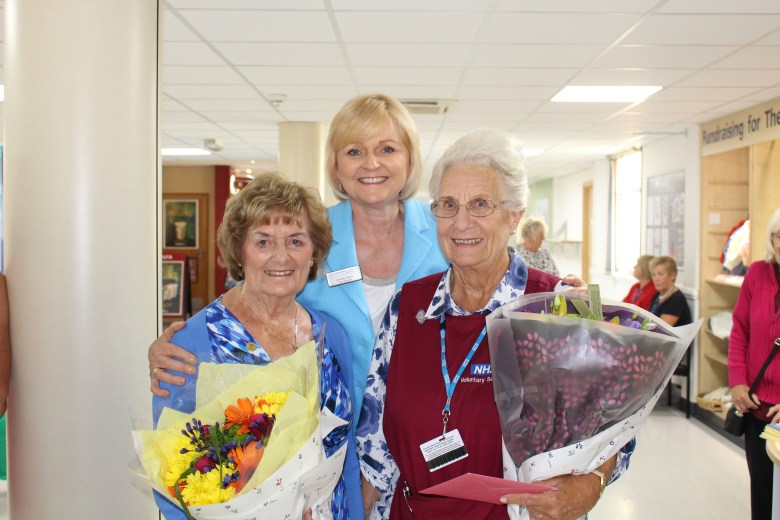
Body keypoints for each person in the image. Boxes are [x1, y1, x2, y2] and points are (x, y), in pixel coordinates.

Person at [357, 128, 633, 519]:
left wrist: (590, 485)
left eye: (480, 204)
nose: (461, 222)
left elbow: (616, 429)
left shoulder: (560, 307)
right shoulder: (408, 307)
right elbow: (375, 447)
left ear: (515, 215)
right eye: (448, 205)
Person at [152, 173, 358, 519]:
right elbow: (171, 478)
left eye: (296, 241)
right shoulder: (192, 342)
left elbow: (347, 457)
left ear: (314, 251)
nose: (281, 257)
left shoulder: (331, 334)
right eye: (263, 242)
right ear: (239, 250)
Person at [728, 207, 780, 520]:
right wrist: (737, 382)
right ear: (771, 239)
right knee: (762, 493)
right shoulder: (757, 273)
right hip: (756, 405)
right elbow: (740, 332)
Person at [647, 256, 691, 327]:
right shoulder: (657, 295)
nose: (656, 279)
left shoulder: (677, 299)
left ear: (672, 275)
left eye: (660, 274)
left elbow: (661, 329)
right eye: (653, 275)